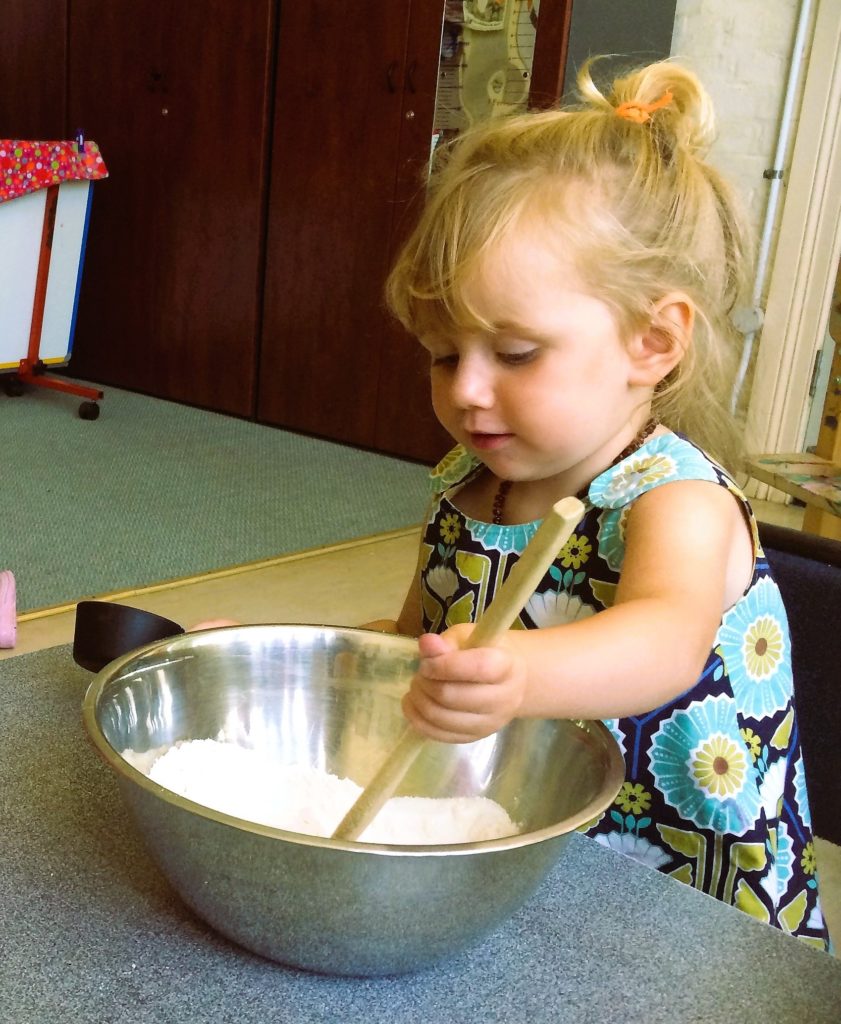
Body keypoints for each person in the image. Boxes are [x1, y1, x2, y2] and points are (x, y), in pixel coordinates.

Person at [367, 58, 831, 950]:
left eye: (512, 354)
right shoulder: (463, 482)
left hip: (689, 909)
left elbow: (661, 641)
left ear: (650, 342)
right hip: (529, 866)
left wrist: (517, 679)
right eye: (440, 353)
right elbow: (418, 642)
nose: (465, 391)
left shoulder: (672, 499)